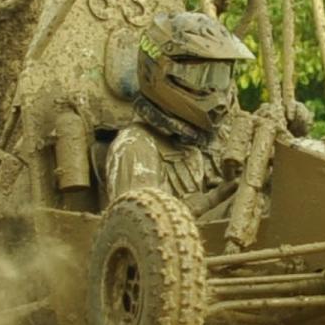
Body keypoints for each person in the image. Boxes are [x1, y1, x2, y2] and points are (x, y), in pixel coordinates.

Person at [104, 11, 254, 205]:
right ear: (160, 71)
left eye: (220, 76)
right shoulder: (136, 147)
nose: (212, 90)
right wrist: (212, 201)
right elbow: (140, 227)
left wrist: (289, 137)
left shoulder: (225, 135)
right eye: (197, 77)